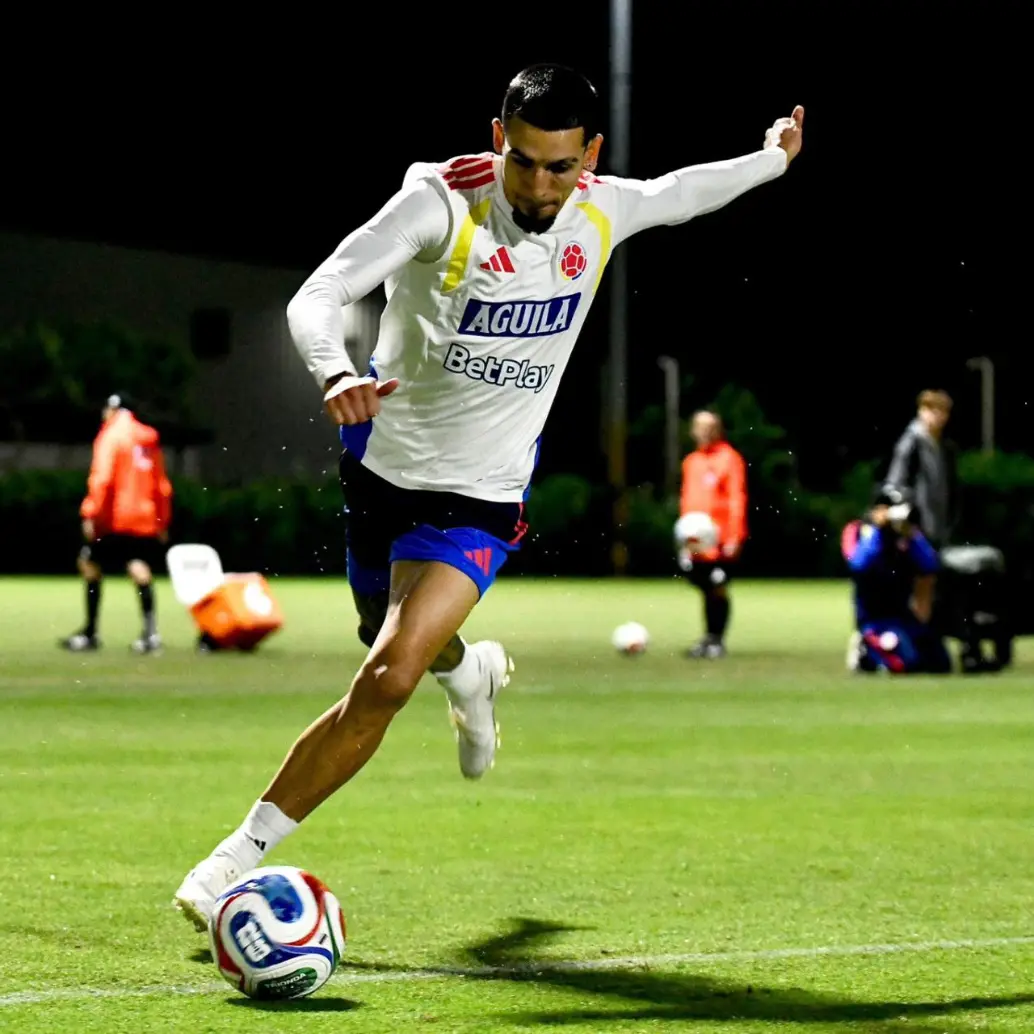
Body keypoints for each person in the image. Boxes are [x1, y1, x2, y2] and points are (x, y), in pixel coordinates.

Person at [173, 63, 805, 930]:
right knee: (389, 637)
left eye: (562, 166)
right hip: (382, 473)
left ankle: (229, 861)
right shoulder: (438, 200)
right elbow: (318, 295)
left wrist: (771, 160)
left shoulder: (601, 207)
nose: (542, 187)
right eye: (526, 163)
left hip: (482, 496)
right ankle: (472, 674)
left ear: (592, 154)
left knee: (388, 673)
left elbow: (682, 193)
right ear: (498, 138)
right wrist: (335, 372)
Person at [60, 393, 172, 654]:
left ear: (113, 410)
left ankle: (90, 632)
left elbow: (102, 478)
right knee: (138, 566)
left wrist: (90, 512)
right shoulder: (147, 439)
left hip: (116, 515)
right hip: (145, 515)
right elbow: (162, 486)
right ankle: (150, 633)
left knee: (88, 563)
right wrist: (162, 520)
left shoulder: (111, 436)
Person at [841, 485, 951, 674]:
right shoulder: (860, 531)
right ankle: (864, 649)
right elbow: (859, 565)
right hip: (873, 619)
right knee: (905, 663)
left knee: (939, 663)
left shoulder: (908, 537)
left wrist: (911, 536)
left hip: (903, 616)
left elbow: (930, 565)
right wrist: (879, 530)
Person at [677, 410, 747, 658]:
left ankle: (716, 639)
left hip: (720, 540)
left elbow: (737, 498)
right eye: (699, 426)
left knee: (717, 587)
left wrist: (734, 537)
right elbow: (686, 501)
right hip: (695, 542)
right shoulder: (691, 462)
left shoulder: (729, 459)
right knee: (705, 587)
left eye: (710, 427)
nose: (704, 432)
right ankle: (709, 638)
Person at [885, 389, 959, 550]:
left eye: (943, 412)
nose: (939, 417)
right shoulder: (912, 443)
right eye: (934, 411)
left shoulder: (945, 447)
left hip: (939, 520)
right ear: (922, 411)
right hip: (915, 522)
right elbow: (895, 482)